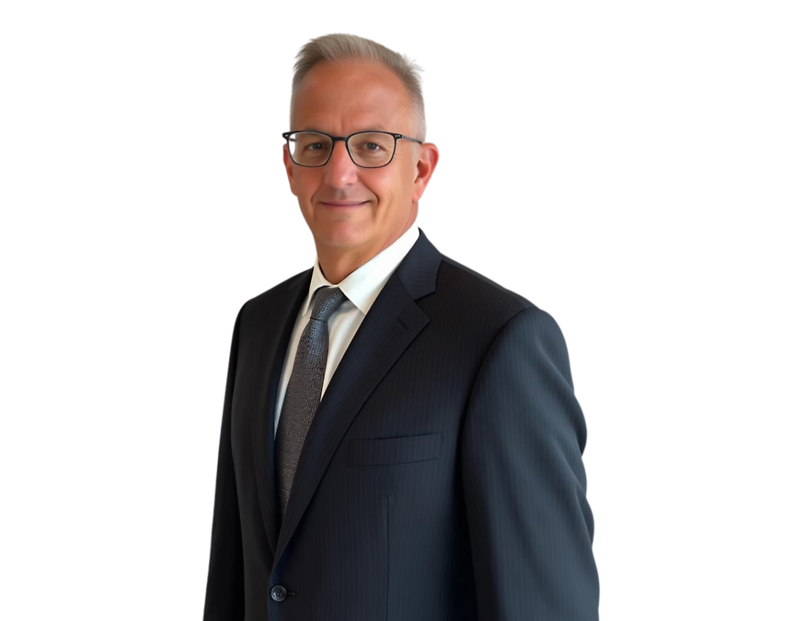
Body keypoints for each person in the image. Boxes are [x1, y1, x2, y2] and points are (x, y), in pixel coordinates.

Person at [203, 32, 599, 620]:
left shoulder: (500, 338)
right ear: (287, 164)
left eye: (371, 146)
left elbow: (546, 607)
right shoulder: (258, 323)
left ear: (423, 166)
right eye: (315, 144)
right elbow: (236, 573)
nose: (339, 174)